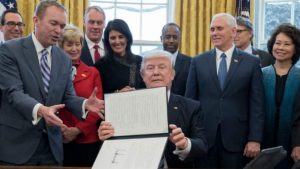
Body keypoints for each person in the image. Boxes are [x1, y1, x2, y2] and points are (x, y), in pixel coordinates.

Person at [0, 0, 104, 166]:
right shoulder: (9, 50)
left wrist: (84, 103)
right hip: (16, 148)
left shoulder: (63, 58)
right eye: (53, 23)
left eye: (62, 26)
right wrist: (41, 110)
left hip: (52, 149)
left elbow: (68, 96)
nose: (58, 31)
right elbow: (14, 93)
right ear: (36, 20)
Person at [98, 50, 208, 168]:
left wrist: (185, 144)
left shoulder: (191, 107)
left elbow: (202, 146)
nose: (156, 72)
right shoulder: (126, 104)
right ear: (142, 75)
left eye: (162, 67)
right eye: (150, 68)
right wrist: (106, 138)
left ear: (172, 74)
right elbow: (112, 151)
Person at [185, 13, 265, 169]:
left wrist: (255, 138)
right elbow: (190, 102)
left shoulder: (252, 63)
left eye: (219, 29)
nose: (214, 33)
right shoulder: (197, 61)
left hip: (238, 141)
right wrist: (191, 137)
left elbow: (257, 104)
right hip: (204, 139)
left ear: (233, 32)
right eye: (212, 29)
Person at [58, 24, 104, 167]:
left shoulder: (93, 72)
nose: (74, 49)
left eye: (77, 44)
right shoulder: (52, 72)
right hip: (59, 138)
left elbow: (98, 107)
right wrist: (62, 130)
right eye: (69, 44)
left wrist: (77, 130)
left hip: (87, 140)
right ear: (60, 46)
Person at [262, 23, 300, 169]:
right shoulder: (261, 74)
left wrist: (298, 143)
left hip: (292, 145)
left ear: (295, 48)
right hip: (262, 144)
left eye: (287, 44)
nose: (281, 48)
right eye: (278, 43)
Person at [95, 19, 145, 94]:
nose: (117, 41)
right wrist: (118, 94)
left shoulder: (140, 61)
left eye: (121, 37)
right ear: (107, 41)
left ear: (127, 38)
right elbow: (99, 96)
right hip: (113, 105)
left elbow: (146, 89)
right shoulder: (100, 66)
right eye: (113, 38)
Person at [160, 22, 191, 96]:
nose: (171, 41)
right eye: (168, 37)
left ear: (179, 39)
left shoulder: (190, 62)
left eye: (175, 37)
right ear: (161, 39)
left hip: (182, 105)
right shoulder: (153, 62)